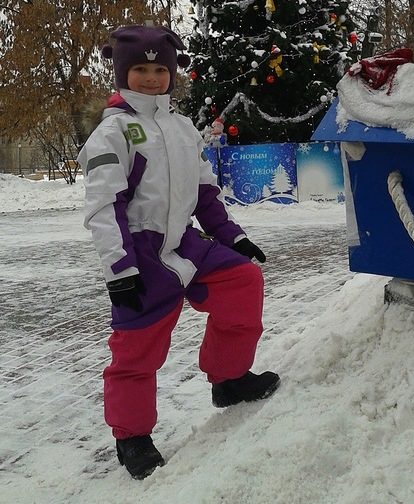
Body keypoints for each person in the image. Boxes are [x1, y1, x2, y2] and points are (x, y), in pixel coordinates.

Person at [78, 24, 280, 480]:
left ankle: (229, 379)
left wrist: (232, 237)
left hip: (185, 243)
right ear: (122, 73)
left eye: (160, 70)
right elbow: (104, 207)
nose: (151, 78)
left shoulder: (182, 127)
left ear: (172, 74)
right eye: (140, 70)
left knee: (242, 280)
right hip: (141, 252)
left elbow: (205, 192)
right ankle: (132, 436)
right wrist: (120, 270)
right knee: (137, 347)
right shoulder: (113, 132)